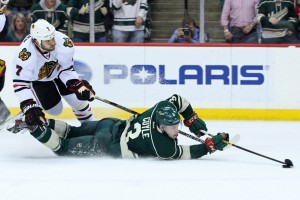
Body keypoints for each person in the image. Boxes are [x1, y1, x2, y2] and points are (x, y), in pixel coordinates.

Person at [9, 94, 230, 159]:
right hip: (107, 143)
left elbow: (178, 100)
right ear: (160, 127)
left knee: (71, 130)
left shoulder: (159, 108)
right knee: (63, 148)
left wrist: (190, 119)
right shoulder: (163, 146)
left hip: (109, 125)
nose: (175, 130)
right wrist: (209, 146)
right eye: (171, 128)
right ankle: (35, 128)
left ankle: (35, 121)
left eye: (178, 125)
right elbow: (187, 152)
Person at [11, 19, 96, 130]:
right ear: (37, 41)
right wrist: (28, 105)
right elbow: (20, 84)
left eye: (52, 38)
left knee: (78, 100)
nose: (52, 42)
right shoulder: (25, 56)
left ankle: (92, 128)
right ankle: (23, 118)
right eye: (48, 40)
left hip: (59, 71)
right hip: (39, 80)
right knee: (55, 111)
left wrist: (75, 83)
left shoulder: (64, 43)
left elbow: (66, 68)